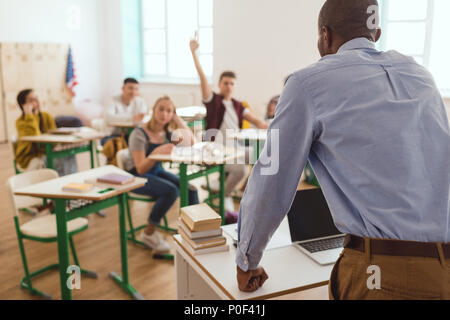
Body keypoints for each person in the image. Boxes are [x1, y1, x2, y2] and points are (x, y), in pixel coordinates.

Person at [236, 0, 450, 300]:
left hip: (381, 274)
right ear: (375, 33)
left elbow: (270, 178)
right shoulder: (421, 77)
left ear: (325, 35)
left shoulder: (307, 83)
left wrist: (247, 259)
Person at [190, 35, 269, 222]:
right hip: (217, 149)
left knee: (265, 158)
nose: (228, 86)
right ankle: (225, 194)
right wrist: (194, 53)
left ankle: (236, 190)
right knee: (241, 170)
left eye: (232, 83)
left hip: (236, 148)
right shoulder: (213, 101)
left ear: (235, 86)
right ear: (219, 85)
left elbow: (258, 121)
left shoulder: (238, 105)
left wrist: (269, 123)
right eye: (225, 83)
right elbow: (202, 78)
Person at [127, 95, 199, 252]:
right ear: (153, 110)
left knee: (191, 188)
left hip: (156, 172)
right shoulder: (138, 134)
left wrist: (177, 119)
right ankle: (148, 233)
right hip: (136, 177)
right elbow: (140, 168)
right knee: (171, 191)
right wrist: (156, 152)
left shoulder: (166, 133)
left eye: (169, 111)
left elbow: (191, 141)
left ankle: (195, 232)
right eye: (161, 109)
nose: (164, 114)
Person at [15, 89, 78, 176]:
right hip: (30, 156)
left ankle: (70, 181)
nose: (37, 101)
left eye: (37, 97)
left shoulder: (46, 116)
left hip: (47, 151)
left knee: (70, 155)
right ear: (24, 105)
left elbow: (54, 135)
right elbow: (34, 136)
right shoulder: (21, 121)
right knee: (54, 161)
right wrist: (29, 115)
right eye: (32, 100)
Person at [103, 78, 148, 145]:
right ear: (123, 89)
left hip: (134, 135)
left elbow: (143, 118)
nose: (133, 92)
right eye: (130, 88)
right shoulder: (112, 100)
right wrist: (132, 118)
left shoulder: (140, 102)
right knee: (115, 144)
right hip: (114, 135)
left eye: (136, 89)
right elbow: (109, 118)